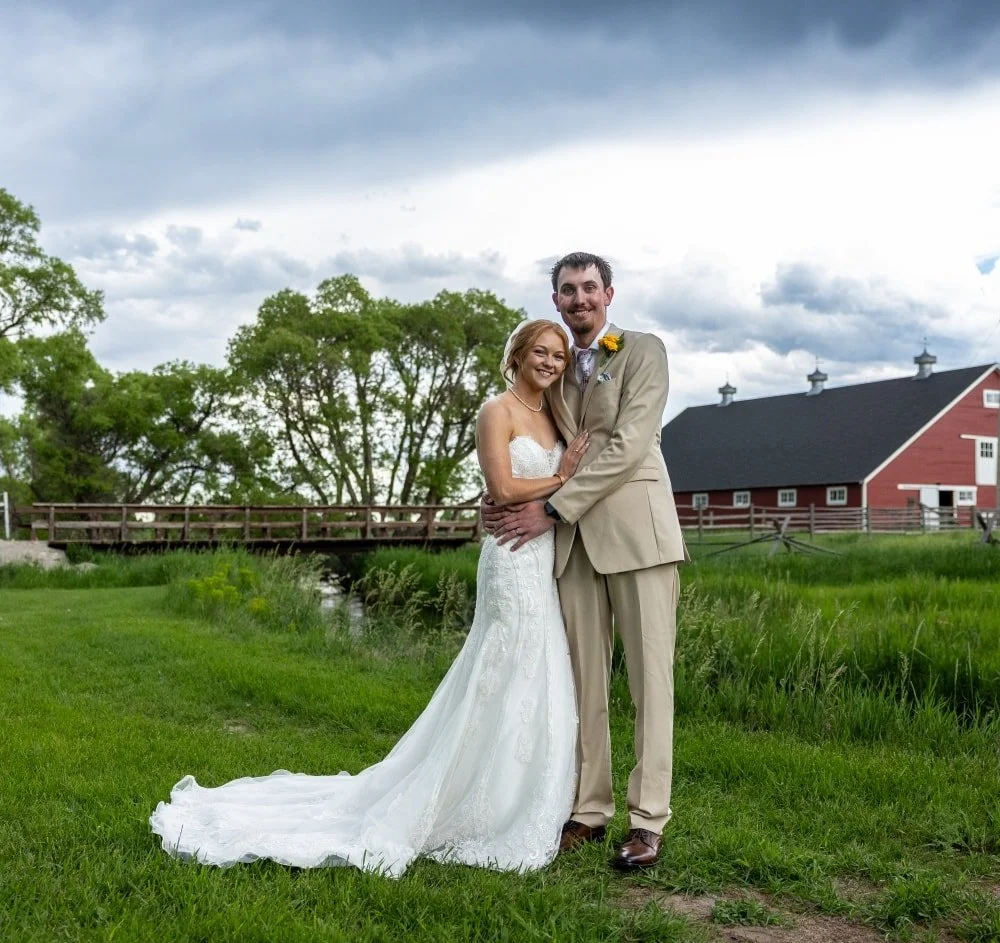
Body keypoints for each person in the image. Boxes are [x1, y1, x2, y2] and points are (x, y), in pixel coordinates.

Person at [150, 319, 590, 878]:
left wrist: (564, 480)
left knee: (537, 671)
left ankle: (522, 799)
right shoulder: (496, 411)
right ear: (519, 355)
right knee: (501, 667)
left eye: (557, 355)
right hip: (509, 559)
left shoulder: (556, 415)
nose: (550, 362)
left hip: (542, 559)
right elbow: (502, 490)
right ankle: (463, 800)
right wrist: (563, 477)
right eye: (540, 353)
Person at [484, 252, 685, 871]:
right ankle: (588, 809)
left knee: (650, 680)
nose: (579, 299)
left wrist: (552, 509)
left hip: (636, 537)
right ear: (556, 302)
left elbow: (627, 445)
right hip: (571, 550)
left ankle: (647, 821)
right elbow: (531, 449)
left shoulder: (643, 351)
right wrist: (498, 499)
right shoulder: (558, 370)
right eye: (567, 290)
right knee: (582, 682)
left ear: (609, 293)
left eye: (588, 288)